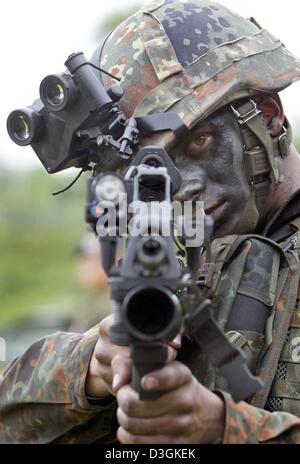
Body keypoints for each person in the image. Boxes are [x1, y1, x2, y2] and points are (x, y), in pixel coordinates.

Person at [2, 0, 300, 444]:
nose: (182, 186)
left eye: (198, 141)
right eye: (151, 166)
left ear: (269, 116)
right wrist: (91, 371)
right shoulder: (180, 280)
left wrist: (220, 429)